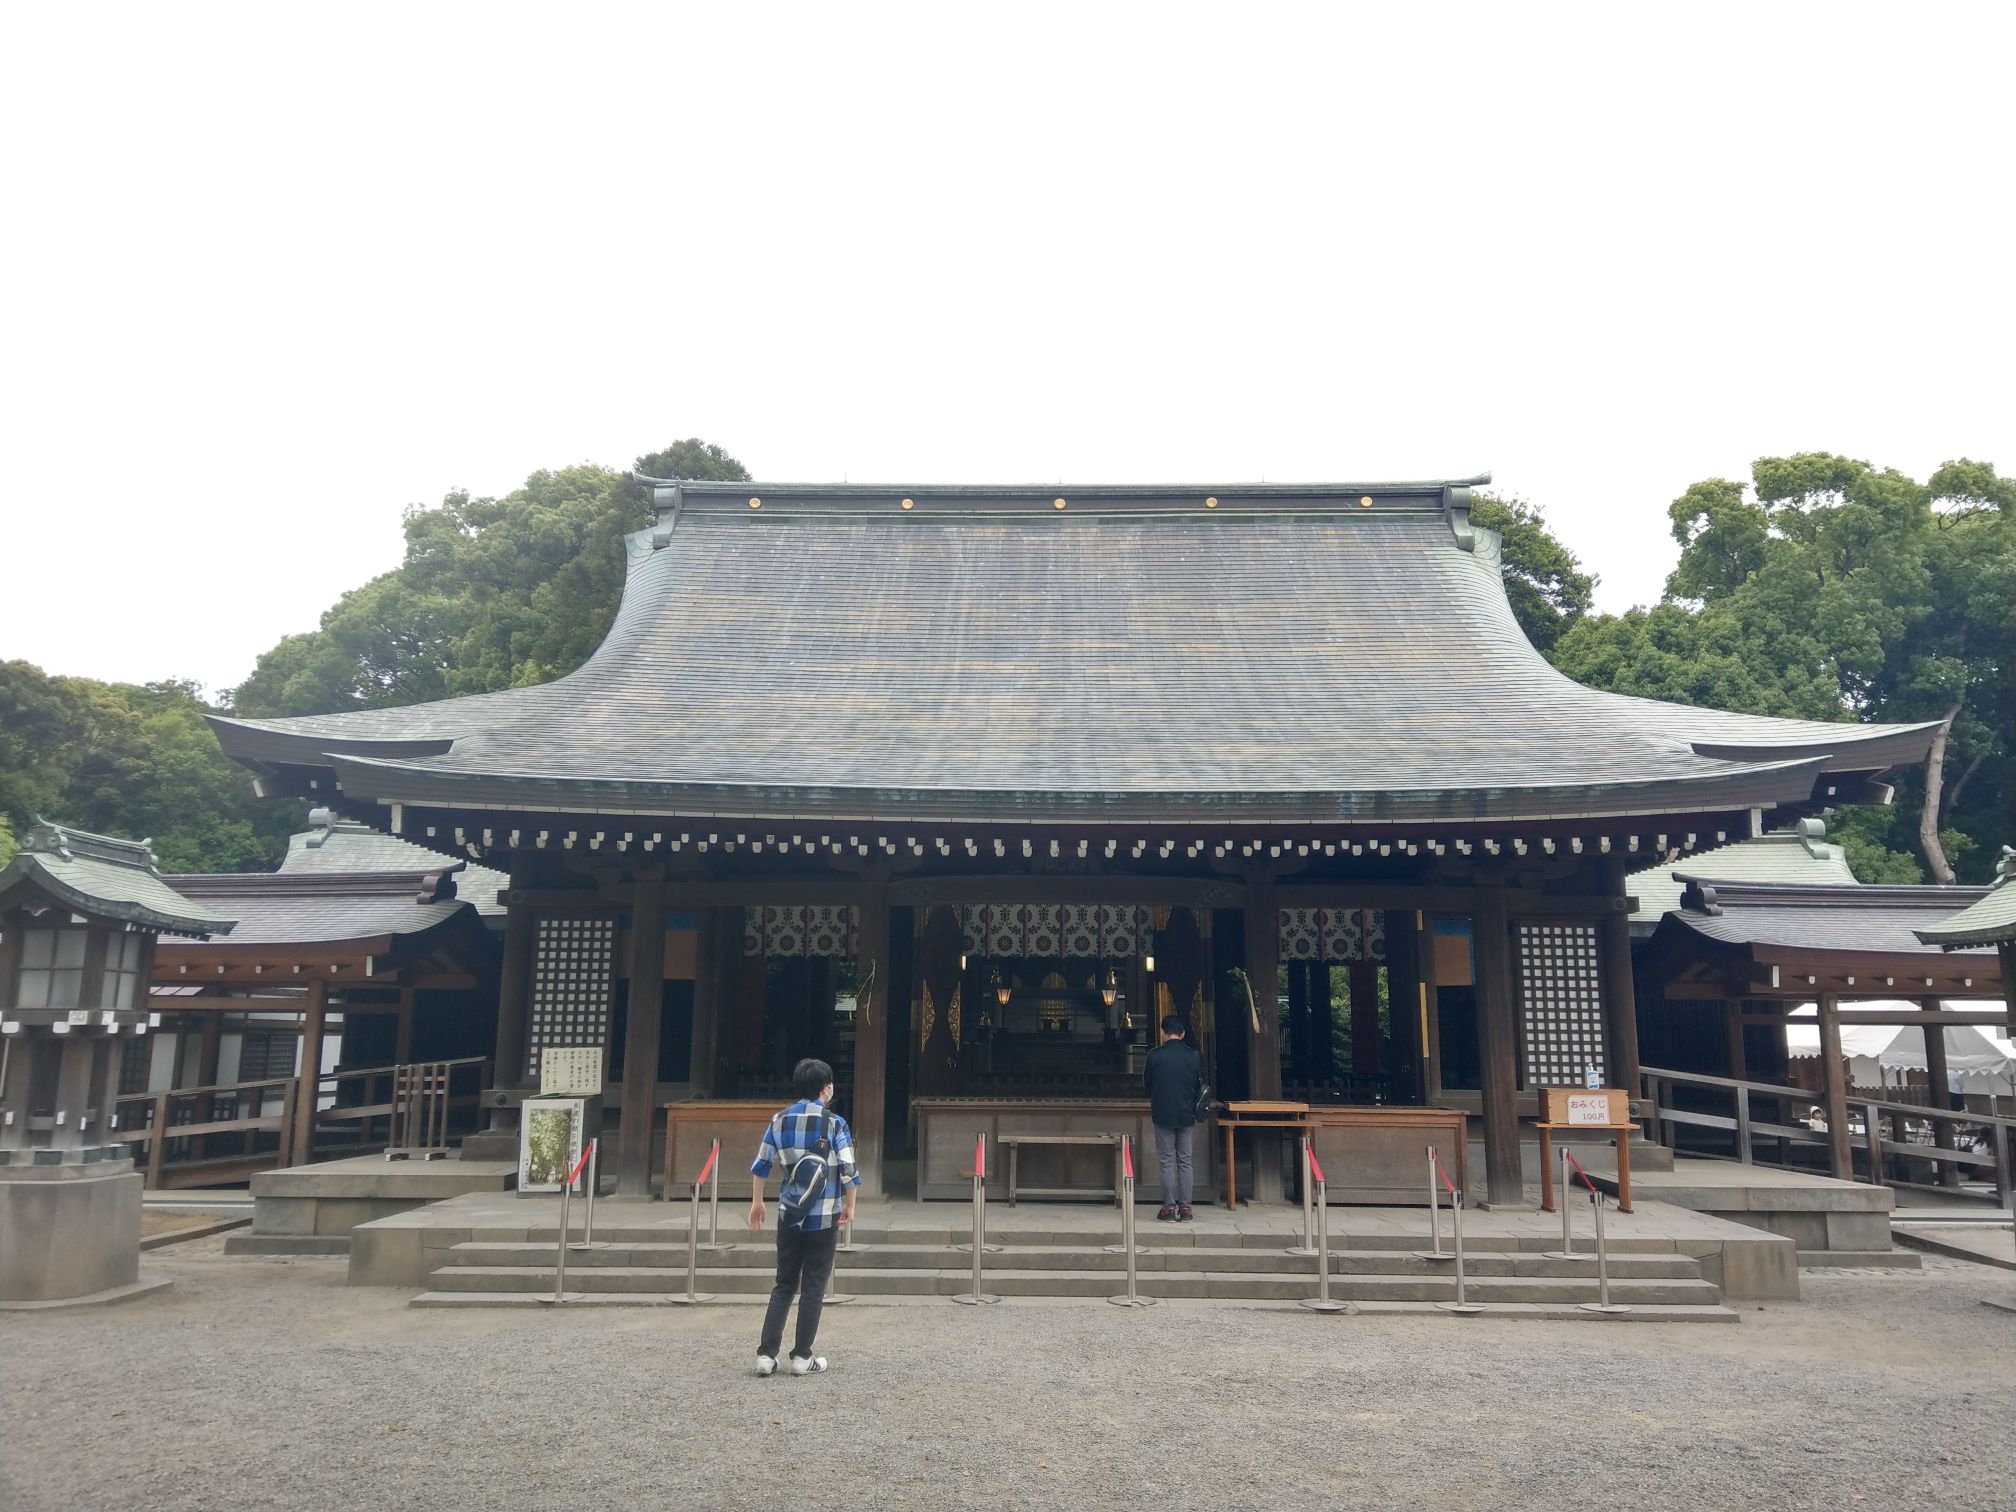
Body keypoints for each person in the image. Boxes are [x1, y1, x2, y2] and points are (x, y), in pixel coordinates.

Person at [747, 1056, 859, 1377]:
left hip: (790, 1213)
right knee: (813, 1286)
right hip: (824, 1215)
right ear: (826, 1088)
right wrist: (850, 1205)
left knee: (784, 1284)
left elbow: (761, 1165)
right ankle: (802, 1356)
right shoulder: (834, 1123)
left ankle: (766, 1355)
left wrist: (757, 1202)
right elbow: (849, 1170)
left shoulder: (778, 1120)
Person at [1143, 1014, 1205, 1221]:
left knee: (1167, 1161)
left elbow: (1147, 1084)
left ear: (1163, 1033)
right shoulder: (1193, 1055)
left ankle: (1168, 1208)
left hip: (1163, 1114)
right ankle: (1186, 1208)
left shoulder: (1154, 1055)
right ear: (1183, 1033)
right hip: (1186, 1114)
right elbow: (1199, 1084)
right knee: (1185, 1161)